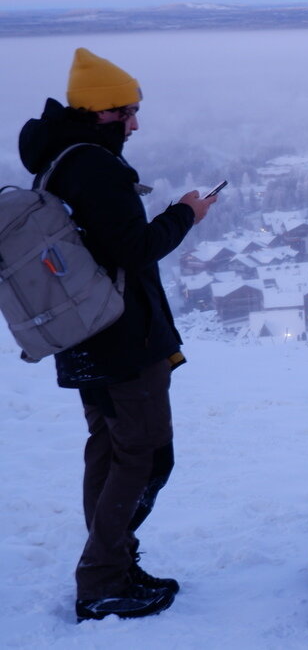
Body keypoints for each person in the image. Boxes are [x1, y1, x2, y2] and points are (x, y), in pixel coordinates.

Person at [17, 48, 217, 621]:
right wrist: (186, 214)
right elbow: (136, 248)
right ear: (100, 112)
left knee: (110, 449)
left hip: (85, 336)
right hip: (121, 340)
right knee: (146, 455)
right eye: (126, 112)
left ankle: (113, 565)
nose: (135, 123)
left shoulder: (58, 160)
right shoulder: (95, 168)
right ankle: (104, 578)